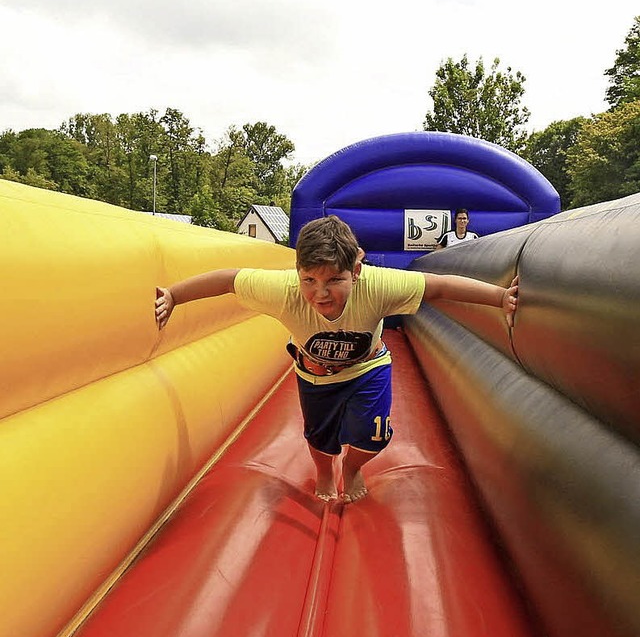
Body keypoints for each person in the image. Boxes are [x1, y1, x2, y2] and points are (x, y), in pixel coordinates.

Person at [155, 215, 518, 504]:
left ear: (356, 270)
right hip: (315, 376)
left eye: (334, 280)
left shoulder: (379, 286)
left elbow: (438, 286)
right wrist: (173, 295)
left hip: (366, 367)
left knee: (373, 436)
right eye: (309, 279)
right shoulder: (283, 291)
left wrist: (500, 297)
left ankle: (354, 467)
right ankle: (326, 471)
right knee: (319, 438)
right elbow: (228, 281)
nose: (320, 293)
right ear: (297, 271)